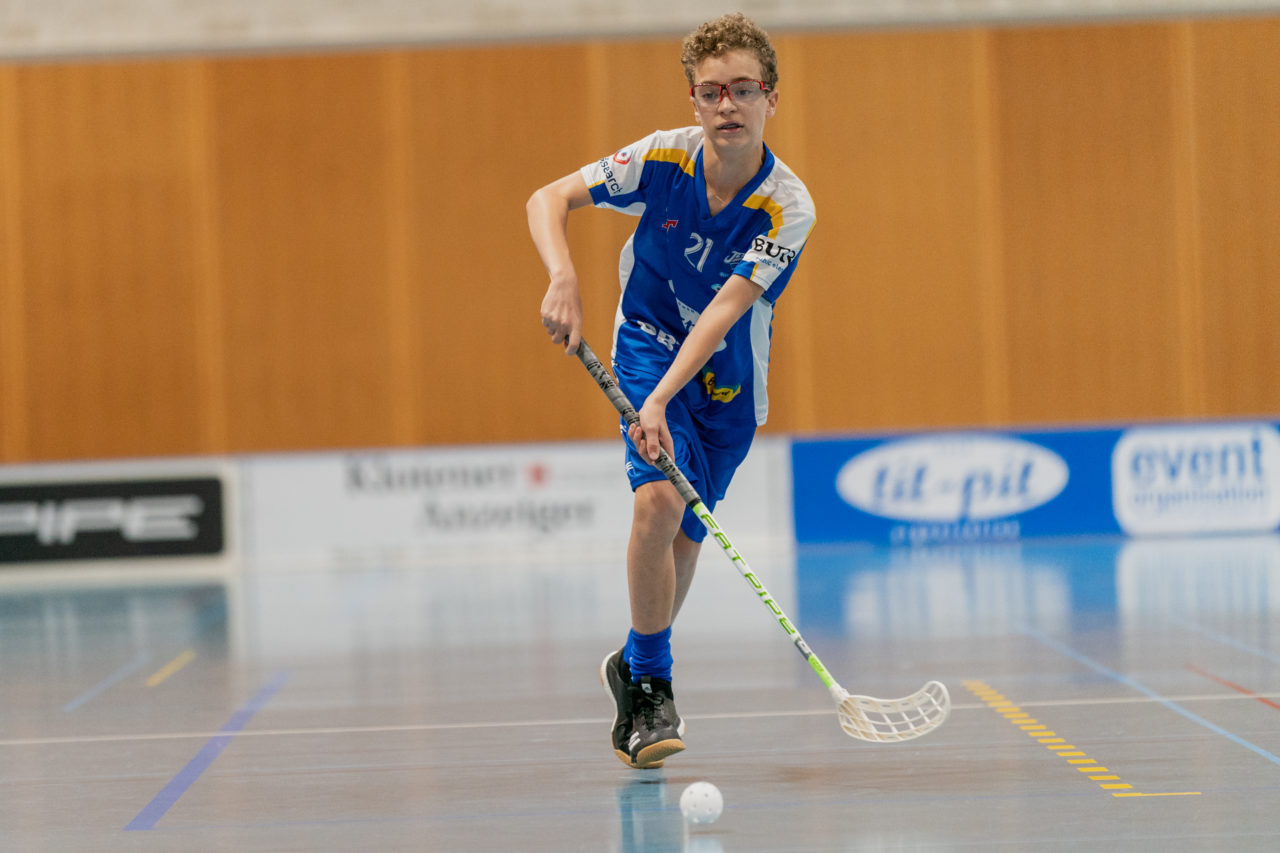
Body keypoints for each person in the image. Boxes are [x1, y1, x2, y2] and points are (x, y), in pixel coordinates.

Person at [526, 12, 815, 769]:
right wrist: (563, 276)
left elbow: (724, 313)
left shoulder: (788, 206)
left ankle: (631, 659)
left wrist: (663, 402)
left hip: (728, 386)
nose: (727, 105)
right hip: (648, 344)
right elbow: (546, 199)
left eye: (743, 90)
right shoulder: (660, 159)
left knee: (686, 535)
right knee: (657, 498)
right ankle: (653, 686)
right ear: (693, 99)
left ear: (769, 99)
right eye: (712, 91)